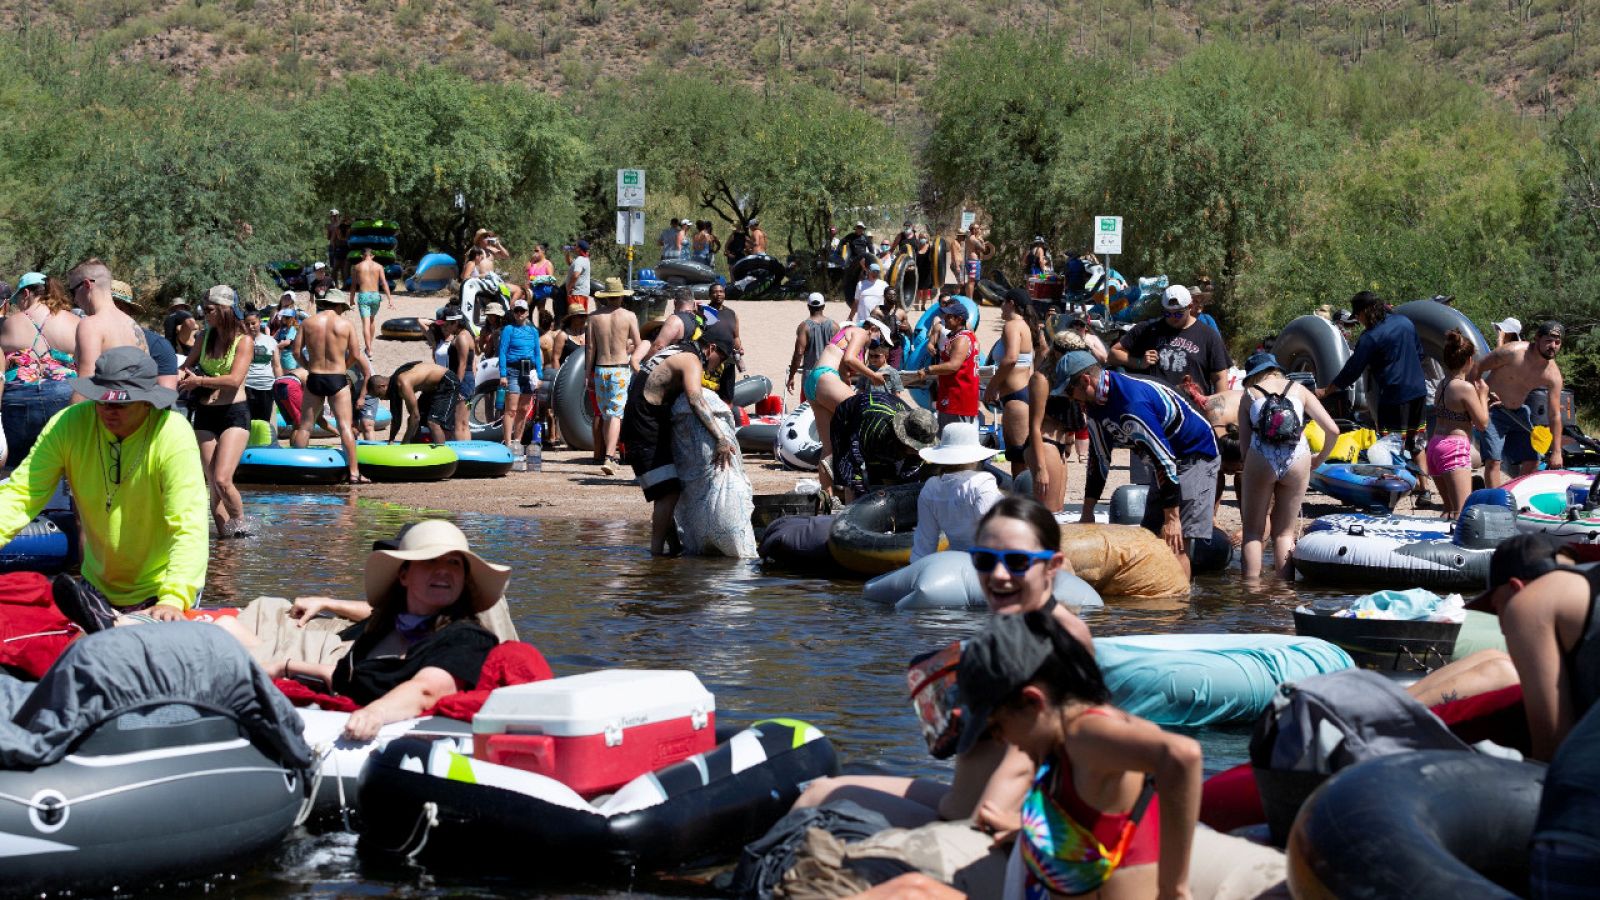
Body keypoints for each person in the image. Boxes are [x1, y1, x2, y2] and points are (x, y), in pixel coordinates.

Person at [794, 497, 1093, 828]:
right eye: (984, 560)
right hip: (958, 801)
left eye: (1017, 562)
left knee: (816, 797)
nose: (998, 574)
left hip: (974, 821)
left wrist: (1009, 828)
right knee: (829, 784)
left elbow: (1036, 752)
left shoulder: (1056, 638)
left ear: (1052, 565)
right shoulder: (1020, 623)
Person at [955, 611, 1201, 900]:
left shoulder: (1085, 735)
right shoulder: (1061, 742)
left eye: (997, 726)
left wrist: (1174, 889)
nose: (999, 739)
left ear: (1033, 702)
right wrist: (1028, 832)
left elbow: (1181, 755)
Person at [0, 348, 207, 630]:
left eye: (121, 404)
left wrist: (174, 596)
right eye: (102, 400)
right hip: (96, 585)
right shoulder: (68, 424)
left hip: (162, 588)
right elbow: (21, 493)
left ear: (147, 402)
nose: (108, 410)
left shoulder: (173, 433)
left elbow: (189, 523)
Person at [268, 519, 511, 741]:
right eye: (430, 560)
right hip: (349, 734)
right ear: (404, 575)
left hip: (409, 749)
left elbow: (427, 691)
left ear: (463, 579)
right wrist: (285, 667)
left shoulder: (468, 638)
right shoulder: (380, 631)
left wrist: (375, 713)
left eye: (454, 562)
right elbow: (343, 679)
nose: (443, 570)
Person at [1055, 350, 1219, 580]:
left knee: (1176, 540)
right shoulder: (1093, 406)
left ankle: (1181, 601)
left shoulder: (1131, 402)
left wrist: (1173, 519)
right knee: (1149, 534)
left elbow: (1165, 461)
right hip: (1163, 459)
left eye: (1069, 391)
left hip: (1195, 453)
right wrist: (1087, 513)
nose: (1070, 399)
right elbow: (1099, 460)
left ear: (1085, 381)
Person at [1465, 533, 1596, 761]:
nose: (1501, 627)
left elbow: (1551, 749)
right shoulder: (1587, 581)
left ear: (1515, 587)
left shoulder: (1528, 603)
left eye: (1496, 609)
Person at [621, 323, 738, 556]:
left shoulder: (677, 349)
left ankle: (674, 549)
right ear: (711, 348)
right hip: (643, 428)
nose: (721, 365)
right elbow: (696, 400)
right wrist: (721, 437)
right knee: (669, 492)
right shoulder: (691, 360)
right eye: (722, 358)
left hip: (644, 421)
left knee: (670, 486)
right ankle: (656, 554)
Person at [1235, 352, 1339, 579]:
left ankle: (1251, 593)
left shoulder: (1249, 394)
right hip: (1298, 457)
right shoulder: (1300, 390)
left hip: (1261, 456)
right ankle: (1285, 592)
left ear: (1252, 376)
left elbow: (1244, 448)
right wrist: (1319, 459)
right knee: (1284, 534)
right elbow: (1333, 430)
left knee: (1253, 534)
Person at [1316, 291, 1428, 489]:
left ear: (1366, 312)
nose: (1358, 321)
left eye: (1358, 316)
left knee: (1388, 445)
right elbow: (1420, 354)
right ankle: (1424, 488)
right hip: (1418, 391)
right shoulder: (1405, 322)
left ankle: (1392, 488)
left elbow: (1352, 370)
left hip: (1393, 396)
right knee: (1416, 441)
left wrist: (1327, 391)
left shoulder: (1371, 337)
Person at [178, 286, 254, 536]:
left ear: (224, 310)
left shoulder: (244, 341)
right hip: (205, 414)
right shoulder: (204, 338)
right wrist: (175, 376)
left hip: (234, 413)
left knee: (222, 479)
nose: (204, 314)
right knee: (213, 484)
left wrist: (199, 381)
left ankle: (242, 530)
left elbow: (234, 380)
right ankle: (225, 541)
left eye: (209, 309)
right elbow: (186, 366)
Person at [1471, 319, 1566, 486]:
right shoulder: (1512, 352)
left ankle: (1512, 495)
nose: (1552, 346)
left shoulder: (1553, 375)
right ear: (1537, 338)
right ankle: (1496, 501)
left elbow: (1555, 414)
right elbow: (1477, 368)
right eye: (1548, 341)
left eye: (1557, 342)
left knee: (1533, 460)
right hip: (1492, 411)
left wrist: (1557, 451)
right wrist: (1480, 396)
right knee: (1493, 461)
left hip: (1519, 412)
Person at [290, 289, 370, 484]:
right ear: (339, 305)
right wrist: (344, 367)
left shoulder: (308, 323)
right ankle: (354, 473)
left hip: (315, 376)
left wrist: (308, 367)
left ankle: (297, 469)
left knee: (305, 427)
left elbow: (296, 352)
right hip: (337, 377)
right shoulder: (346, 324)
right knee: (344, 427)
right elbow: (355, 354)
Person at [1, 272, 79, 468]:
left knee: (16, 470)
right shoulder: (73, 321)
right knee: (61, 467)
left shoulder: (11, 322)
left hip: (18, 399)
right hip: (65, 396)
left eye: (17, 299)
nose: (18, 304)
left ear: (26, 293)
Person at [805, 318, 890, 495]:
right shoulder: (861, 332)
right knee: (861, 422)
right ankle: (852, 495)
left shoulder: (847, 333)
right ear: (873, 329)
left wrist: (847, 383)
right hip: (826, 377)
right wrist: (873, 376)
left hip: (815, 380)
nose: (878, 343)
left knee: (828, 447)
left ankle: (827, 497)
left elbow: (843, 368)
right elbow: (850, 359)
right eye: (880, 338)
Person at [1108, 284, 1230, 402]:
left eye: (1178, 313)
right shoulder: (1147, 329)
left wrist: (1218, 410)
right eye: (1167, 313)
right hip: (1155, 404)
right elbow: (1112, 355)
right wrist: (1139, 362)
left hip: (1191, 408)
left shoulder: (1208, 336)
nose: (1172, 317)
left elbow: (1220, 378)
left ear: (1190, 306)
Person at [911, 423, 1006, 562]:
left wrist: (916, 569)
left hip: (954, 560)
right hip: (984, 562)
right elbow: (997, 532)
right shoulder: (981, 482)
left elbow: (924, 544)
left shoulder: (931, 487)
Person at [1427, 330, 1492, 520]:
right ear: (1469, 360)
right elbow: (1483, 424)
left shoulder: (1442, 384)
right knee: (1461, 513)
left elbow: (1456, 413)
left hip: (1435, 445)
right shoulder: (1465, 387)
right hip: (1454, 448)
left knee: (1448, 511)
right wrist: (1483, 396)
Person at [830, 393, 933, 503]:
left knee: (895, 477)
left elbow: (909, 475)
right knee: (853, 479)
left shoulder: (921, 429)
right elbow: (852, 464)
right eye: (915, 447)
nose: (917, 450)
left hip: (889, 431)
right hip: (849, 420)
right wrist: (862, 496)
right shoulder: (876, 431)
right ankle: (849, 509)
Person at [67, 260, 148, 400]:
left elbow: (86, 386)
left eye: (72, 291)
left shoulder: (91, 325)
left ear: (87, 285)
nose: (74, 299)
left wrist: (69, 414)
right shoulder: (133, 325)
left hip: (108, 409)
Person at [985, 290, 1037, 477]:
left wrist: (991, 386)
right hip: (1021, 393)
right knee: (1020, 456)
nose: (1001, 307)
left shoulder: (1012, 326)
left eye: (1003, 302)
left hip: (1016, 397)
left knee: (1019, 457)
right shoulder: (1025, 326)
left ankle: (1024, 494)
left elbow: (1010, 358)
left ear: (1011, 303)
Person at [908, 300, 980, 429]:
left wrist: (928, 369)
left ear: (959, 319)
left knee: (953, 436)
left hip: (958, 397)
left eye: (949, 316)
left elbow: (953, 366)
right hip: (955, 395)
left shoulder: (962, 339)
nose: (945, 318)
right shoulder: (963, 336)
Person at [372, 361, 460, 445]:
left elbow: (415, 416)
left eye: (379, 395)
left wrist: (404, 444)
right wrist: (391, 440)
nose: (382, 399)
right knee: (414, 421)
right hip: (432, 389)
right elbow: (396, 418)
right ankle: (414, 448)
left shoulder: (402, 383)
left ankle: (441, 452)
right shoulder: (394, 385)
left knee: (433, 422)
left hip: (447, 381)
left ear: (382, 386)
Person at [497, 299, 542, 456]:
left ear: (527, 312)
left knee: (523, 409)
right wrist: (503, 374)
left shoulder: (533, 331)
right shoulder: (508, 329)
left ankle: (518, 441)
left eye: (522, 311)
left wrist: (539, 375)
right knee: (511, 408)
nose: (519, 314)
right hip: (513, 370)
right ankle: (508, 443)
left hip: (528, 371)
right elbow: (502, 352)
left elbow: (537, 353)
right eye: (516, 311)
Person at [786, 292, 838, 396]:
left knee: (807, 404)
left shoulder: (804, 327)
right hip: (830, 373)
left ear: (808, 307)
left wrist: (791, 376)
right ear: (823, 306)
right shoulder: (834, 326)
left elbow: (799, 353)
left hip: (811, 374)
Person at [351, 246, 394, 358]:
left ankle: (369, 350)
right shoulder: (379, 266)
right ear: (372, 256)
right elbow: (384, 283)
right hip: (375, 296)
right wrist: (390, 299)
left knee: (365, 323)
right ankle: (370, 345)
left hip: (364, 295)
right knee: (372, 320)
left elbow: (353, 285)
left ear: (362, 256)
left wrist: (351, 299)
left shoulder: (357, 267)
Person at [242, 309, 281, 432]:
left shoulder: (271, 341)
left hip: (266, 387)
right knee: (246, 422)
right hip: (247, 386)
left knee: (264, 422)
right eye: (247, 324)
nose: (250, 327)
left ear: (260, 322)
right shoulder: (240, 341)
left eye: (253, 323)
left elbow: (276, 365)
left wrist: (280, 383)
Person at [440, 309, 476, 441]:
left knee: (459, 423)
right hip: (468, 382)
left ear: (455, 322)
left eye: (447, 324)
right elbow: (473, 363)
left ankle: (462, 452)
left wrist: (457, 386)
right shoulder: (466, 334)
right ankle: (467, 450)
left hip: (463, 382)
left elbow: (462, 364)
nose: (446, 327)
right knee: (464, 423)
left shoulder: (462, 337)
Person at [639, 286, 699, 361]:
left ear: (674, 302)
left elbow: (658, 346)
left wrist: (645, 361)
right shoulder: (699, 320)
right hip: (693, 362)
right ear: (694, 303)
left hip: (674, 364)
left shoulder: (675, 320)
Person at [701, 283, 744, 371]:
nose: (718, 294)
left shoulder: (731, 313)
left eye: (721, 291)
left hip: (729, 357)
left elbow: (736, 336)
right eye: (715, 292)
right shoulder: (703, 311)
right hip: (711, 357)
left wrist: (739, 349)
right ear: (709, 295)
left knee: (728, 379)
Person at [961, 225, 992, 297]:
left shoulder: (969, 238)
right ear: (974, 230)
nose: (980, 230)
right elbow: (983, 249)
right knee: (972, 282)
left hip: (969, 260)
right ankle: (970, 299)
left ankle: (968, 298)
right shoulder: (974, 239)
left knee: (970, 281)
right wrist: (982, 241)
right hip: (974, 262)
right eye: (978, 228)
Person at [566, 240, 592, 312]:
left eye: (575, 246)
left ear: (579, 249)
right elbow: (570, 263)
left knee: (576, 315)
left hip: (577, 293)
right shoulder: (584, 259)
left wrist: (568, 288)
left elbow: (575, 275)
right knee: (582, 315)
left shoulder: (579, 260)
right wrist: (567, 253)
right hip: (582, 292)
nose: (574, 247)